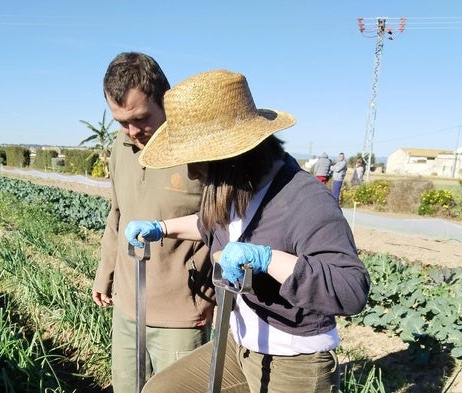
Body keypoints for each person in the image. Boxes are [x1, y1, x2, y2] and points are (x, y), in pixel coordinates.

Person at [124, 69, 370, 392]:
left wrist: (268, 259)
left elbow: (352, 289)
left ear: (231, 158)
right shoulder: (238, 190)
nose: (191, 172)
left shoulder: (305, 201)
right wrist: (161, 228)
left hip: (293, 362)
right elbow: (207, 224)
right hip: (237, 347)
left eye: (195, 160)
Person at [91, 52, 215, 393]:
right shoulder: (121, 145)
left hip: (182, 312)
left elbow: (226, 224)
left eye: (141, 118)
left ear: (165, 100)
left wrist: (218, 298)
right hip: (128, 305)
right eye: (120, 121)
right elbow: (118, 214)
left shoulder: (198, 150)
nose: (132, 131)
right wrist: (105, 273)